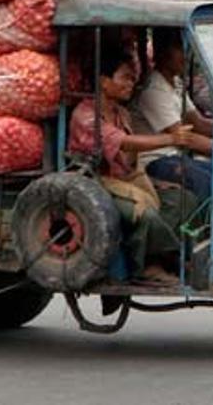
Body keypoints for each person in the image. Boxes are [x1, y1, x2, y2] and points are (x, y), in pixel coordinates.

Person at [68, 55, 197, 284]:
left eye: (132, 79)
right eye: (125, 78)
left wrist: (153, 184)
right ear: (103, 81)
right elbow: (124, 142)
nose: (131, 84)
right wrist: (171, 138)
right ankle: (149, 266)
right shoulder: (86, 116)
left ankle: (163, 257)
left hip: (124, 181)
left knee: (182, 199)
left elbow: (130, 161)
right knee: (144, 214)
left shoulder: (122, 114)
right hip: (95, 185)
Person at [132, 28, 213, 200]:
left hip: (176, 156)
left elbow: (198, 123)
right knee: (204, 181)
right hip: (156, 160)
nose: (187, 55)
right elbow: (186, 138)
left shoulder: (175, 82)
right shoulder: (154, 90)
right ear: (163, 52)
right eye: (180, 49)